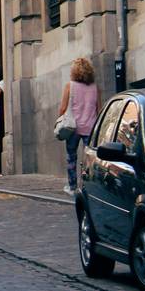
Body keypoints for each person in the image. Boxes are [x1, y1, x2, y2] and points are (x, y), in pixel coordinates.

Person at [58, 57, 100, 194]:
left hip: (73, 127)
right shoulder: (95, 87)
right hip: (91, 127)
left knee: (71, 157)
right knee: (89, 159)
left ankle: (72, 187)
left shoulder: (70, 86)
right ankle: (88, 187)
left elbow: (63, 108)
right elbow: (98, 108)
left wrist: (60, 118)